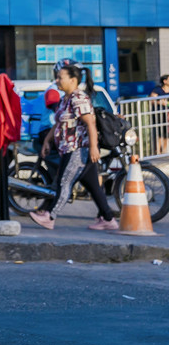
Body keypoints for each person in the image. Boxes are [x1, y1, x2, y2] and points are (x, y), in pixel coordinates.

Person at [29, 63, 117, 231]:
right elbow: (59, 123)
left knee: (64, 182)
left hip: (77, 149)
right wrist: (48, 141)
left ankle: (49, 216)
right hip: (69, 148)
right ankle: (108, 218)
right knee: (93, 186)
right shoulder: (65, 99)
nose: (56, 81)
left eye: (60, 78)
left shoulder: (79, 98)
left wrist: (93, 147)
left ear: (73, 80)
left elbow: (90, 122)